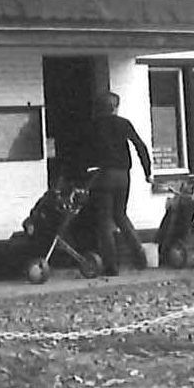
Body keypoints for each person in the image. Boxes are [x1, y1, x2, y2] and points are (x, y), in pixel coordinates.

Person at [84, 90, 153, 273]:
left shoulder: (93, 126)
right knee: (121, 215)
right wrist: (147, 172)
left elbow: (84, 152)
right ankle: (140, 257)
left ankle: (111, 266)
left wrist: (83, 173)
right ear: (115, 107)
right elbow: (140, 146)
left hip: (103, 175)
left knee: (104, 221)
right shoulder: (124, 123)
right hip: (123, 175)